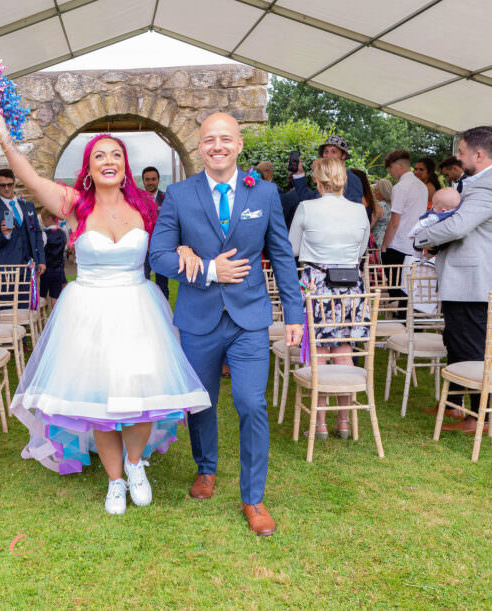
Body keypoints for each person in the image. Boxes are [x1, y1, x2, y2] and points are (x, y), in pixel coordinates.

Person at [0, 116, 210, 517]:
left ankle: (134, 465)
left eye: (115, 155)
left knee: (142, 394)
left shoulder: (146, 206)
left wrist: (185, 250)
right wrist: (6, 141)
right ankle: (114, 481)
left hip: (137, 310)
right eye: (99, 156)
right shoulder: (76, 205)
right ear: (89, 168)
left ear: (124, 165)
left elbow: (171, 241)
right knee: (100, 402)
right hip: (88, 312)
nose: (108, 161)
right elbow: (31, 179)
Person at [150, 112, 304, 537]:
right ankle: (205, 469)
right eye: (208, 140)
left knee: (251, 403)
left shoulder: (266, 194)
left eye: (225, 139)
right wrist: (208, 270)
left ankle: (253, 498)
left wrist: (295, 315)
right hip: (199, 318)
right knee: (201, 401)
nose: (217, 147)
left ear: (238, 145)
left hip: (249, 318)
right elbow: (158, 256)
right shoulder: (179, 195)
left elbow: (283, 257)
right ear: (200, 147)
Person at [413, 126, 492, 432]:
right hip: (469, 279)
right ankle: (455, 405)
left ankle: (480, 418)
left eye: (461, 152)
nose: (457, 158)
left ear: (478, 154)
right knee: (456, 342)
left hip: (476, 281)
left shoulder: (489, 185)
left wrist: (421, 237)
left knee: (471, 347)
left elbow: (459, 225)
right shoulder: (490, 180)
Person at [289, 158, 370, 440]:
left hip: (317, 283)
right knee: (344, 348)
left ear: (318, 180)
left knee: (319, 351)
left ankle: (320, 423)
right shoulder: (360, 211)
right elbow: (361, 250)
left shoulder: (307, 208)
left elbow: (293, 247)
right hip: (350, 285)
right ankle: (344, 422)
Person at [0, 168, 45, 308]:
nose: (6, 188)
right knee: (8, 307)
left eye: (9, 184)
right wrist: (6, 234)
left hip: (28, 265)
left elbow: (37, 234)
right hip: (7, 267)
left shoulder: (28, 206)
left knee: (26, 307)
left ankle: (23, 329)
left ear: (15, 183)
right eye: (2, 185)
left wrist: (41, 259)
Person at [379, 149, 428, 267]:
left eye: (390, 167)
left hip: (398, 246)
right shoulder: (422, 186)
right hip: (415, 247)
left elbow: (394, 222)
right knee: (409, 285)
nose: (389, 171)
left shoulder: (400, 187)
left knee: (393, 285)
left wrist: (384, 245)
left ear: (400, 165)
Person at [140, 166, 169, 299]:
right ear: (143, 181)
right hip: (143, 249)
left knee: (162, 285)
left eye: (153, 179)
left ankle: (165, 315)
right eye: (147, 180)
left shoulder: (167, 198)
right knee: (142, 282)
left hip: (162, 249)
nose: (150, 182)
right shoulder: (137, 200)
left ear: (158, 180)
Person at [408, 187, 462, 253]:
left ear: (443, 210)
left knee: (419, 245)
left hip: (435, 238)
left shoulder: (435, 217)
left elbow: (421, 224)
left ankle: (420, 252)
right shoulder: (458, 209)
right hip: (447, 241)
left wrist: (412, 233)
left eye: (434, 206)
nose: (432, 207)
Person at [38, 209, 68, 310]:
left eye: (43, 220)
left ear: (49, 219)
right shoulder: (63, 233)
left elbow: (40, 250)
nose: (43, 222)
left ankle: (42, 317)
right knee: (55, 298)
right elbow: (66, 248)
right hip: (58, 271)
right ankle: (54, 318)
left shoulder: (44, 234)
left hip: (45, 272)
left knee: (42, 296)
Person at [370, 179, 392, 249]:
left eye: (376, 190)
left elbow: (370, 225)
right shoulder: (393, 206)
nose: (374, 192)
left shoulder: (378, 206)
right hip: (389, 241)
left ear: (382, 192)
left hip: (376, 241)